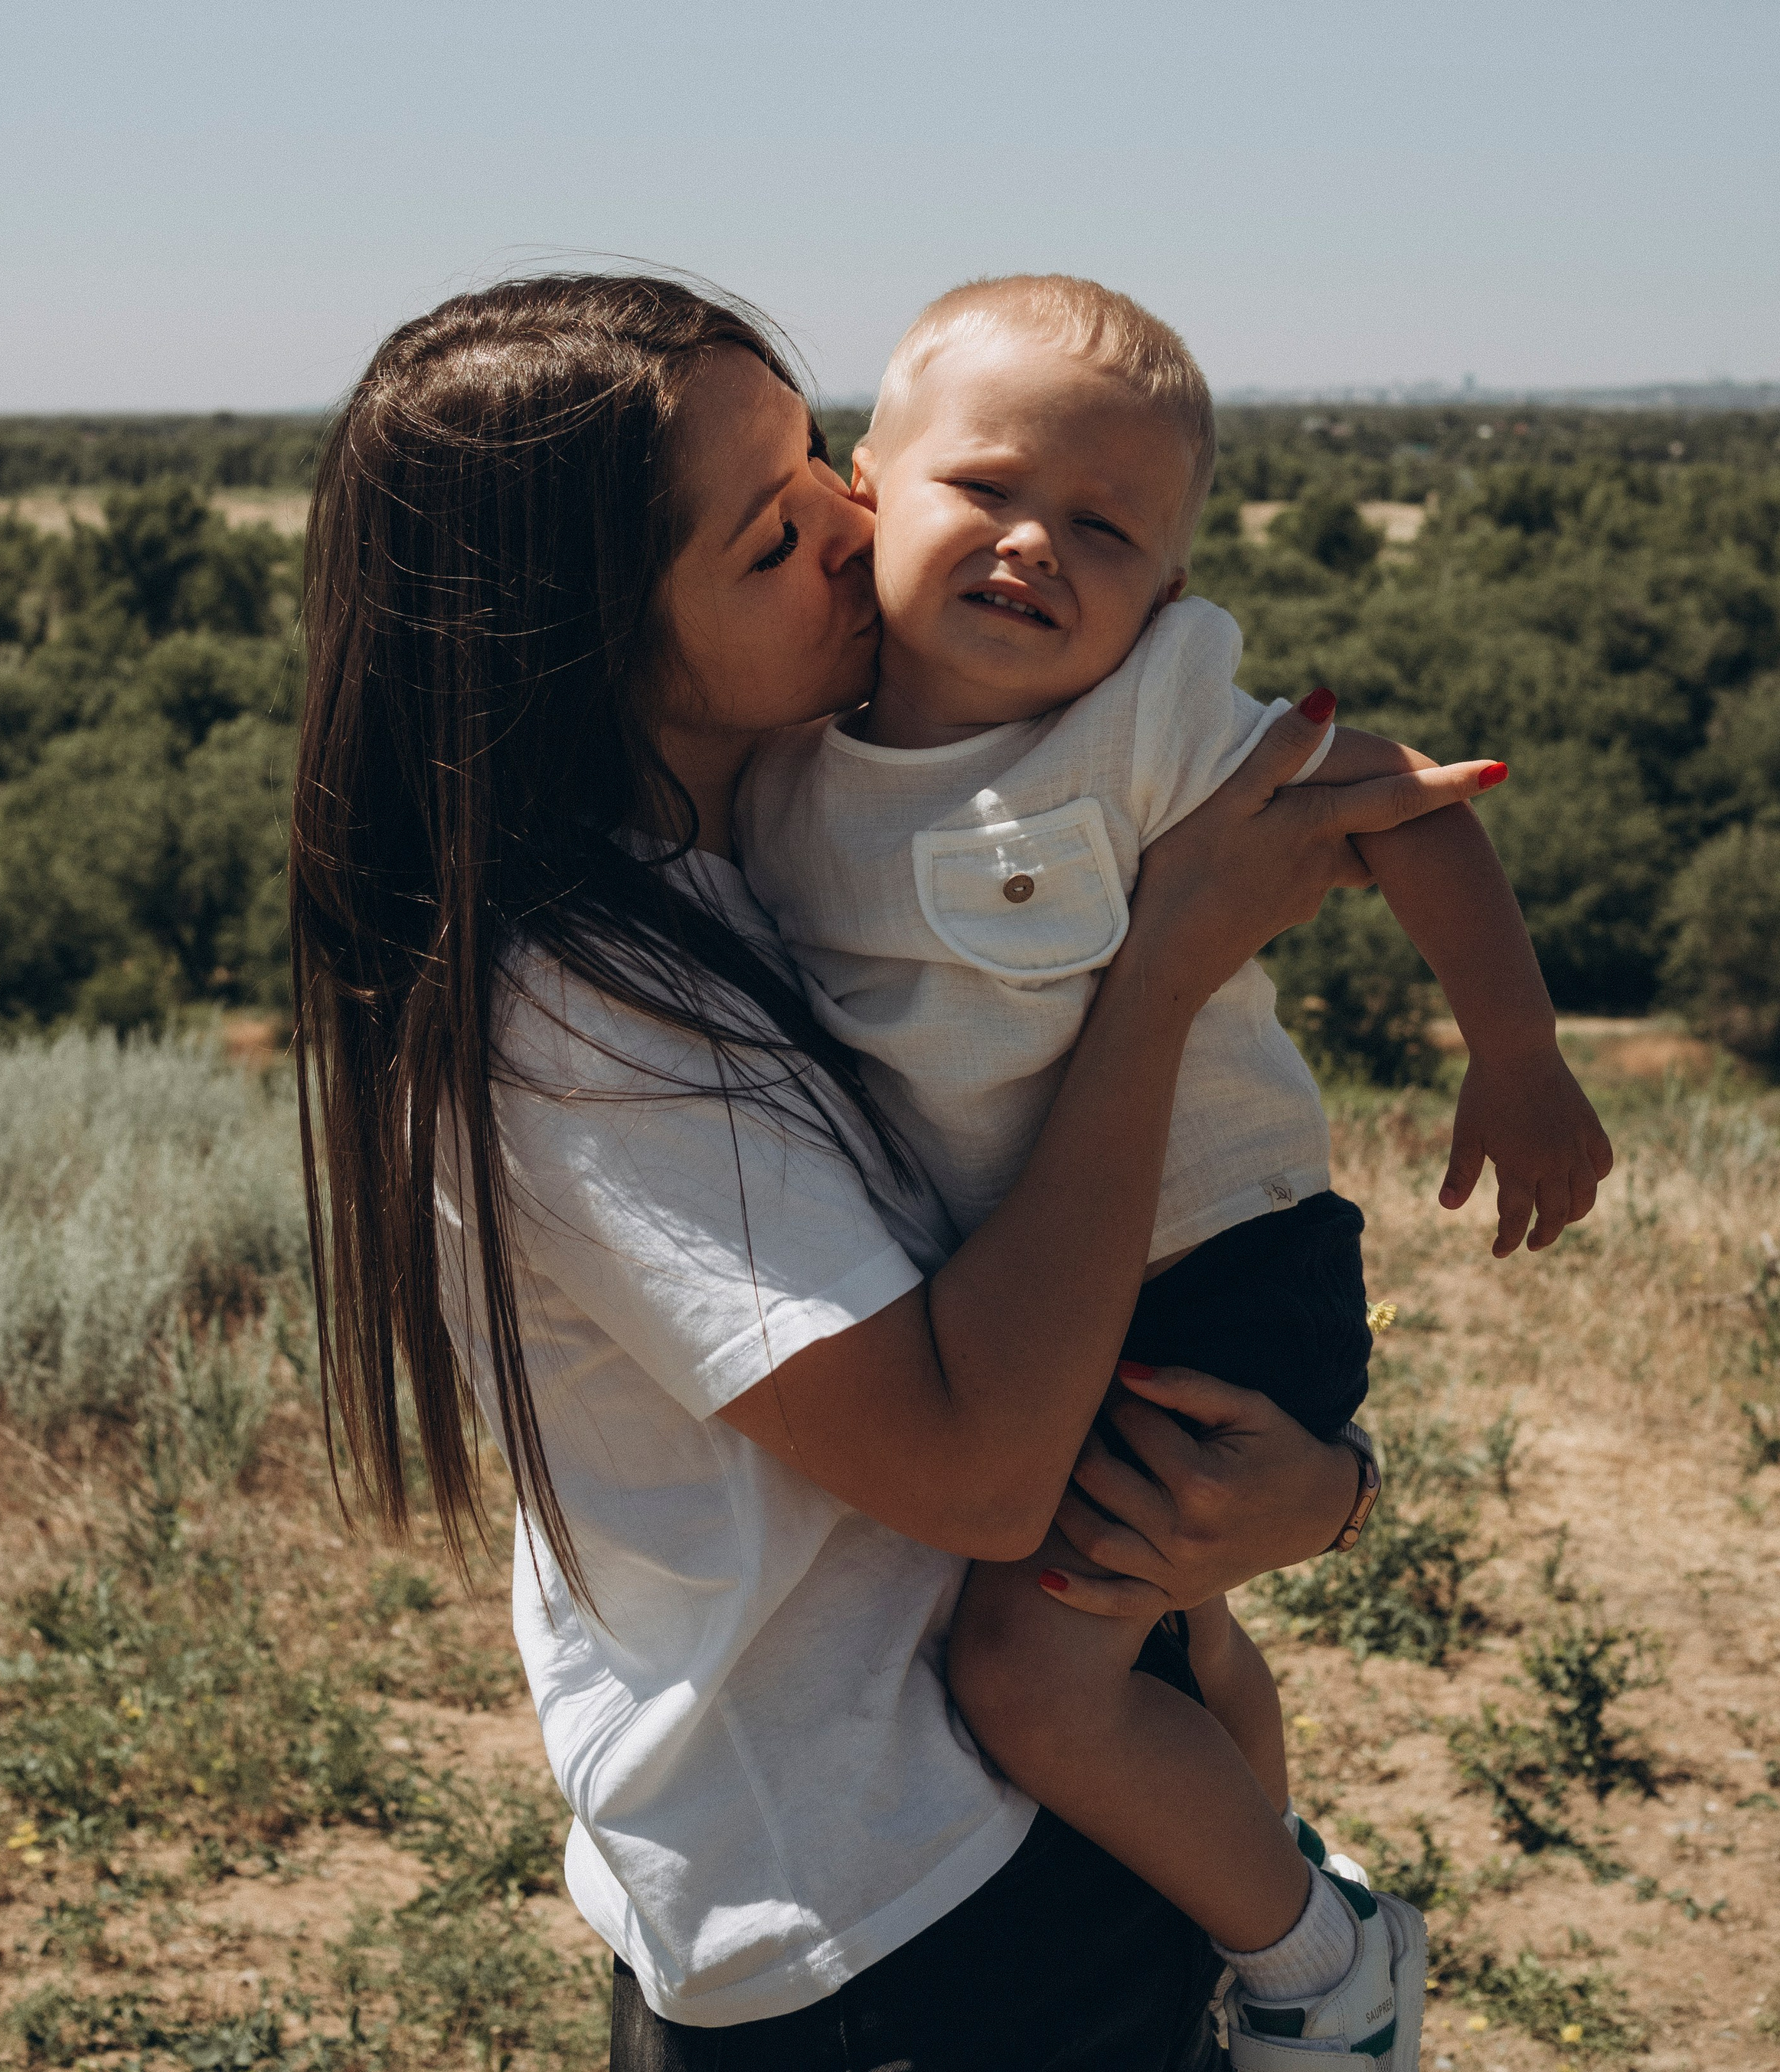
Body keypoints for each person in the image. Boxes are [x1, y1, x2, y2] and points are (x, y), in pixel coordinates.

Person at [289, 273, 1508, 2072]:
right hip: (884, 1922)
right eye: (771, 532)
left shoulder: (770, 856)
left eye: (823, 469)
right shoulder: (575, 1021)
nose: (853, 528)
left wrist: (1321, 1495)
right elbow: (975, 1474)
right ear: (588, 630)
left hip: (1028, 1829)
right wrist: (1165, 967)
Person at [738, 274, 1614, 2065]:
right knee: (1171, 1634)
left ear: (1164, 586)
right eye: (985, 487)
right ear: (858, 495)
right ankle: (1263, 1882)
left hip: (1216, 1265)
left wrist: (1516, 1056)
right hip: (1027, 1297)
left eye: (1106, 529)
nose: (1034, 545)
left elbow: (1399, 802)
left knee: (1027, 1673)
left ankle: (1317, 1963)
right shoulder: (771, 773)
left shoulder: (1142, 726)